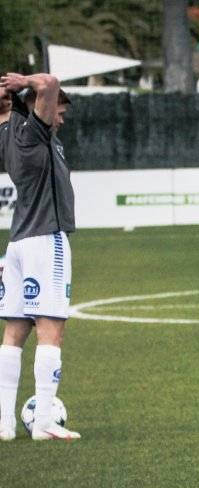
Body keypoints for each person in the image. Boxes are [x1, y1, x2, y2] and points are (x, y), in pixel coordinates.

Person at [0, 73, 80, 441]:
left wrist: (8, 97)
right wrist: (25, 82)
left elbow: (6, 109)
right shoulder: (34, 133)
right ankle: (45, 420)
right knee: (51, 331)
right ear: (39, 108)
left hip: (18, 242)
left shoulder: (8, 132)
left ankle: (4, 423)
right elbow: (49, 82)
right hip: (46, 239)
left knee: (14, 333)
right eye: (58, 111)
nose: (60, 118)